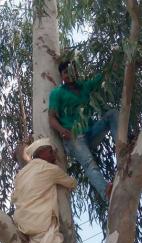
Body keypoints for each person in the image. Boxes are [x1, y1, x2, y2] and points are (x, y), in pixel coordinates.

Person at [48, 60, 118, 201]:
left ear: (76, 72)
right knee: (89, 163)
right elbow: (51, 118)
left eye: (71, 71)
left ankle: (123, 147)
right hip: (73, 137)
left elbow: (103, 76)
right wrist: (62, 130)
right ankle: (107, 194)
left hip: (91, 132)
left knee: (113, 114)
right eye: (65, 73)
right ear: (61, 76)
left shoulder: (85, 87)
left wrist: (114, 61)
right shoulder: (57, 93)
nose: (68, 75)